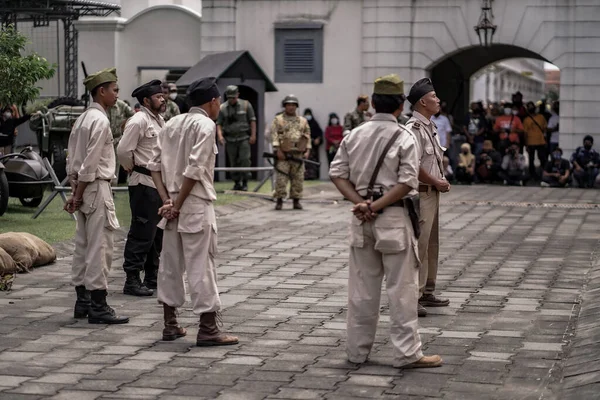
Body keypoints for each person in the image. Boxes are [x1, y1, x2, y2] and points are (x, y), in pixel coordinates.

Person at [329, 73, 442, 369]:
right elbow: (407, 182)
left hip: (361, 220)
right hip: (393, 219)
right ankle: (407, 353)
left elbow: (337, 173)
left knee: (361, 291)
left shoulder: (354, 134)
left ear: (374, 103)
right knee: (402, 290)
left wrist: (361, 204)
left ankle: (357, 352)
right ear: (398, 106)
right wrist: (377, 205)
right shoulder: (404, 135)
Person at [147, 77, 238, 346]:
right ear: (212, 101)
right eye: (218, 101)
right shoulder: (206, 125)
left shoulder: (172, 123)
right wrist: (177, 204)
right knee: (201, 266)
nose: (219, 105)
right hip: (194, 203)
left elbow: (153, 166)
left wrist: (167, 201)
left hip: (171, 204)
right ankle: (208, 329)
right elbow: (196, 169)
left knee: (170, 265)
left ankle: (170, 324)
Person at [64, 67, 128, 325]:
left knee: (83, 245)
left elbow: (73, 161)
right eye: (114, 90)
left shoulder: (82, 119)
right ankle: (98, 306)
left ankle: (83, 302)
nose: (117, 95)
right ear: (101, 91)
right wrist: (78, 195)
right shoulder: (100, 120)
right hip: (95, 187)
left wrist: (74, 191)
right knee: (100, 248)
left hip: (82, 187)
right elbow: (90, 163)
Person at [405, 78, 450, 318]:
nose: (437, 100)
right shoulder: (413, 128)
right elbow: (413, 165)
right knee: (419, 247)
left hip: (432, 193)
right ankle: (413, 296)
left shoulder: (430, 126)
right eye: (433, 96)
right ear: (423, 101)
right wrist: (435, 181)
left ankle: (427, 291)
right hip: (422, 194)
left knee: (432, 245)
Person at [116, 80, 166, 297]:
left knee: (157, 234)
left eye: (163, 95)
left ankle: (152, 277)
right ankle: (132, 279)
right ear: (146, 100)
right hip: (143, 183)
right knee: (142, 232)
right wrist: (131, 167)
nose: (163, 99)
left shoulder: (159, 120)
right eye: (158, 96)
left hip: (157, 185)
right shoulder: (138, 120)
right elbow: (123, 150)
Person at [269, 95, 311, 210]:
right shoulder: (278, 120)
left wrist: (307, 150)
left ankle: (296, 200)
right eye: (288, 105)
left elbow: (307, 135)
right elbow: (274, 135)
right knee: (281, 178)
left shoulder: (303, 121)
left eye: (293, 105)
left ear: (296, 106)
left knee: (298, 178)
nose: (291, 107)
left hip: (298, 153)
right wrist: (277, 149)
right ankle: (279, 200)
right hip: (283, 153)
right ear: (284, 106)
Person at [216, 85, 257, 191]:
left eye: (233, 98)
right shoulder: (222, 108)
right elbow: (219, 123)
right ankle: (236, 182)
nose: (231, 100)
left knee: (245, 160)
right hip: (230, 139)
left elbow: (252, 120)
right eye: (229, 98)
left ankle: (245, 182)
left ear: (237, 95)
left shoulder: (246, 105)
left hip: (243, 137)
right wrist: (220, 136)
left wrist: (253, 135)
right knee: (233, 161)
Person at [107, 98, 135, 184]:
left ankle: (113, 188)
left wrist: (124, 124)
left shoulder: (121, 105)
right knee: (105, 164)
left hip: (117, 139)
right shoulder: (102, 105)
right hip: (104, 139)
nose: (115, 95)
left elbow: (133, 114)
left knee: (115, 165)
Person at [523, 101, 548, 180]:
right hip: (530, 142)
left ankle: (544, 173)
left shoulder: (541, 117)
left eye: (531, 106)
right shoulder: (526, 120)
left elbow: (545, 129)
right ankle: (532, 174)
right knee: (531, 159)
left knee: (542, 158)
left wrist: (545, 139)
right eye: (529, 107)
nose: (531, 108)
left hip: (541, 141)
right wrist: (526, 144)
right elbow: (525, 133)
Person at [303, 108, 323, 180]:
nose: (308, 116)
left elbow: (319, 134)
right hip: (303, 147)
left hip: (313, 147)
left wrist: (318, 139)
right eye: (306, 115)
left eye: (309, 115)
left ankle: (313, 176)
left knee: (312, 163)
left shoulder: (315, 124)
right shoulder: (302, 124)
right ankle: (304, 176)